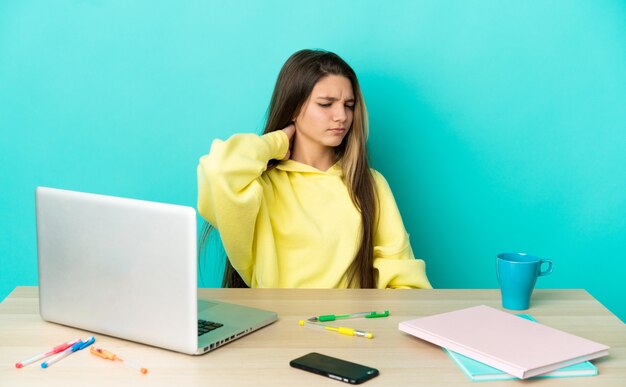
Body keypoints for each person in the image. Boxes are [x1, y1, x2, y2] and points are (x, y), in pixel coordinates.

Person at [197, 49, 431, 289]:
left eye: (349, 105)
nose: (341, 116)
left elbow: (406, 283)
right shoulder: (260, 185)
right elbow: (219, 169)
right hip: (277, 324)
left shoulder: (370, 184)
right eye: (326, 104)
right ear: (294, 108)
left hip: (347, 325)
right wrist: (277, 142)